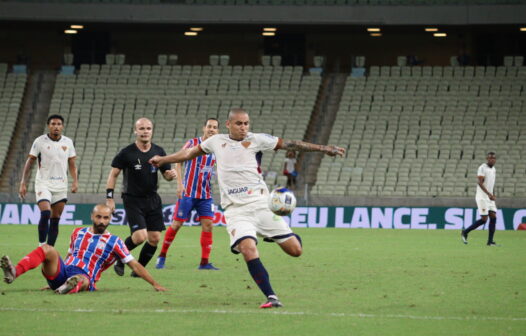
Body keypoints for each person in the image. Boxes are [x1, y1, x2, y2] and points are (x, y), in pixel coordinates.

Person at [149, 108, 345, 308]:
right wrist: (163, 160)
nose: (243, 127)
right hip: (236, 210)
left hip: (261, 205)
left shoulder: (257, 140)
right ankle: (271, 297)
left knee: (296, 251)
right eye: (238, 123)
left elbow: (291, 144)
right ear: (228, 124)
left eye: (246, 123)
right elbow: (188, 153)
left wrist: (323, 148)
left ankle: (276, 234)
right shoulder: (216, 142)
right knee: (247, 248)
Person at [1, 204, 166, 294]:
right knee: (47, 249)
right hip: (63, 270)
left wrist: (155, 283)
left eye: (106, 218)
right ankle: (15, 271)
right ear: (92, 217)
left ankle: (67, 287)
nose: (102, 221)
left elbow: (134, 265)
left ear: (110, 219)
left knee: (82, 279)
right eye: (99, 217)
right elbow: (69, 255)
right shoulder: (77, 233)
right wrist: (54, 277)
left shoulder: (115, 241)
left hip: (86, 276)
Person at [105, 118, 177, 277]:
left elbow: (165, 174)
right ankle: (119, 257)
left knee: (154, 238)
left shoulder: (159, 151)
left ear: (152, 131)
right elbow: (113, 174)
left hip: (152, 199)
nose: (145, 131)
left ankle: (138, 270)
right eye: (142, 128)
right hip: (132, 199)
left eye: (148, 128)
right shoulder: (126, 152)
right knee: (139, 237)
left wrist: (170, 175)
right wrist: (109, 198)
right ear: (135, 131)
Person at [156, 118, 220, 270]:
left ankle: (204, 263)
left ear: (218, 131)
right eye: (209, 126)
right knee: (177, 224)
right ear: (204, 128)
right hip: (188, 193)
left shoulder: (218, 149)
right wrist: (180, 184)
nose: (212, 129)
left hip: (205, 195)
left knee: (208, 225)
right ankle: (162, 256)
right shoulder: (192, 143)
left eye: (215, 127)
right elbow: (178, 161)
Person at [19, 114, 78, 246]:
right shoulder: (39, 141)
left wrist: (75, 181)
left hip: (61, 185)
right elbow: (30, 162)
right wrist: (23, 182)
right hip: (43, 184)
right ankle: (41, 245)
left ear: (62, 126)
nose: (56, 127)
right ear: (48, 126)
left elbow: (72, 164)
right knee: (46, 212)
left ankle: (49, 250)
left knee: (55, 219)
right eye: (53, 124)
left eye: (58, 124)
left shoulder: (68, 142)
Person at [461, 152, 498, 246]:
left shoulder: (494, 169)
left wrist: (493, 194)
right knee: (484, 219)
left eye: (493, 158)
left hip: (489, 197)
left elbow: (491, 184)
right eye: (490, 158)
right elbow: (480, 183)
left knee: (493, 217)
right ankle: (465, 232)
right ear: (487, 158)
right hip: (482, 197)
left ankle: (490, 241)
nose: (492, 160)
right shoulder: (482, 168)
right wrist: (489, 194)